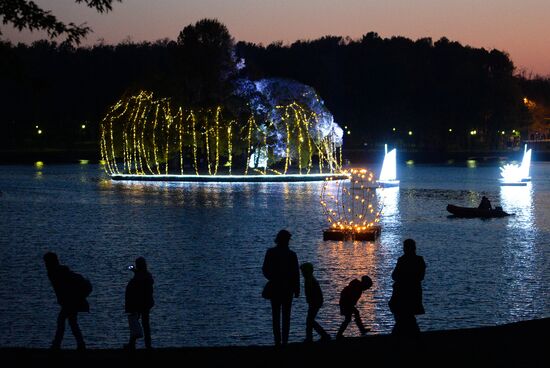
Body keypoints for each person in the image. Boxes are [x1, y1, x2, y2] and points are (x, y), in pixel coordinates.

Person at [43, 252, 91, 350]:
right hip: (69, 301)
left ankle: (57, 344)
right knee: (71, 323)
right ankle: (80, 344)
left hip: (70, 301)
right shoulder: (55, 272)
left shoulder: (58, 272)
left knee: (62, 321)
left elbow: (64, 288)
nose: (45, 264)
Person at [262, 229, 300, 346]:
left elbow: (265, 269)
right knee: (286, 316)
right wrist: (297, 289)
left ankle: (277, 341)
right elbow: (296, 274)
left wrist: (273, 278)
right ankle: (285, 341)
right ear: (287, 240)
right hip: (288, 288)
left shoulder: (271, 252)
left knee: (276, 315)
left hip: (275, 288)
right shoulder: (292, 255)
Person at [388, 238, 426, 337]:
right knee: (408, 317)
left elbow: (394, 276)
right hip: (414, 292)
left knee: (402, 318)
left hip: (401, 293)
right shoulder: (419, 260)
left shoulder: (402, 260)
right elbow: (421, 276)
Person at [125, 257, 154, 350]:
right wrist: (134, 271)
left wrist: (134, 271)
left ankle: (132, 344)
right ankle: (147, 344)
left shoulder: (138, 277)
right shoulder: (147, 275)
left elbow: (136, 285)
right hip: (146, 303)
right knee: (145, 324)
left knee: (135, 323)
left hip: (138, 303)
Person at [300, 262, 331, 343]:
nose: (302, 273)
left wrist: (311, 301)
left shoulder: (309, 280)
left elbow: (313, 293)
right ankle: (312, 337)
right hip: (315, 302)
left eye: (303, 271)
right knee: (310, 320)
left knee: (310, 320)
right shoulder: (310, 279)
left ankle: (321, 336)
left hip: (314, 302)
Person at [336, 275, 372, 339]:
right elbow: (349, 298)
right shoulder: (357, 288)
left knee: (352, 316)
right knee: (348, 318)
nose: (367, 289)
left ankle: (362, 329)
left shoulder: (358, 287)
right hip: (346, 303)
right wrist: (350, 306)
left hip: (347, 303)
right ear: (365, 284)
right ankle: (339, 335)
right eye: (367, 287)